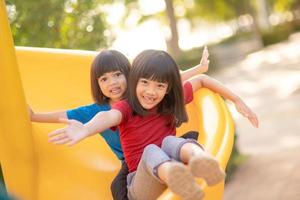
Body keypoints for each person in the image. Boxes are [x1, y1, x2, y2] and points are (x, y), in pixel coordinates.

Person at [48, 49, 258, 200]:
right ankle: (176, 178)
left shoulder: (167, 99)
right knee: (152, 149)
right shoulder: (125, 107)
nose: (151, 91)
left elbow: (201, 80)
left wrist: (237, 100)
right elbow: (107, 117)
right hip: (140, 187)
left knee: (170, 140)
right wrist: (85, 129)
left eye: (159, 86)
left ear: (167, 88)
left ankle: (201, 159)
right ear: (135, 81)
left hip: (168, 160)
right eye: (145, 83)